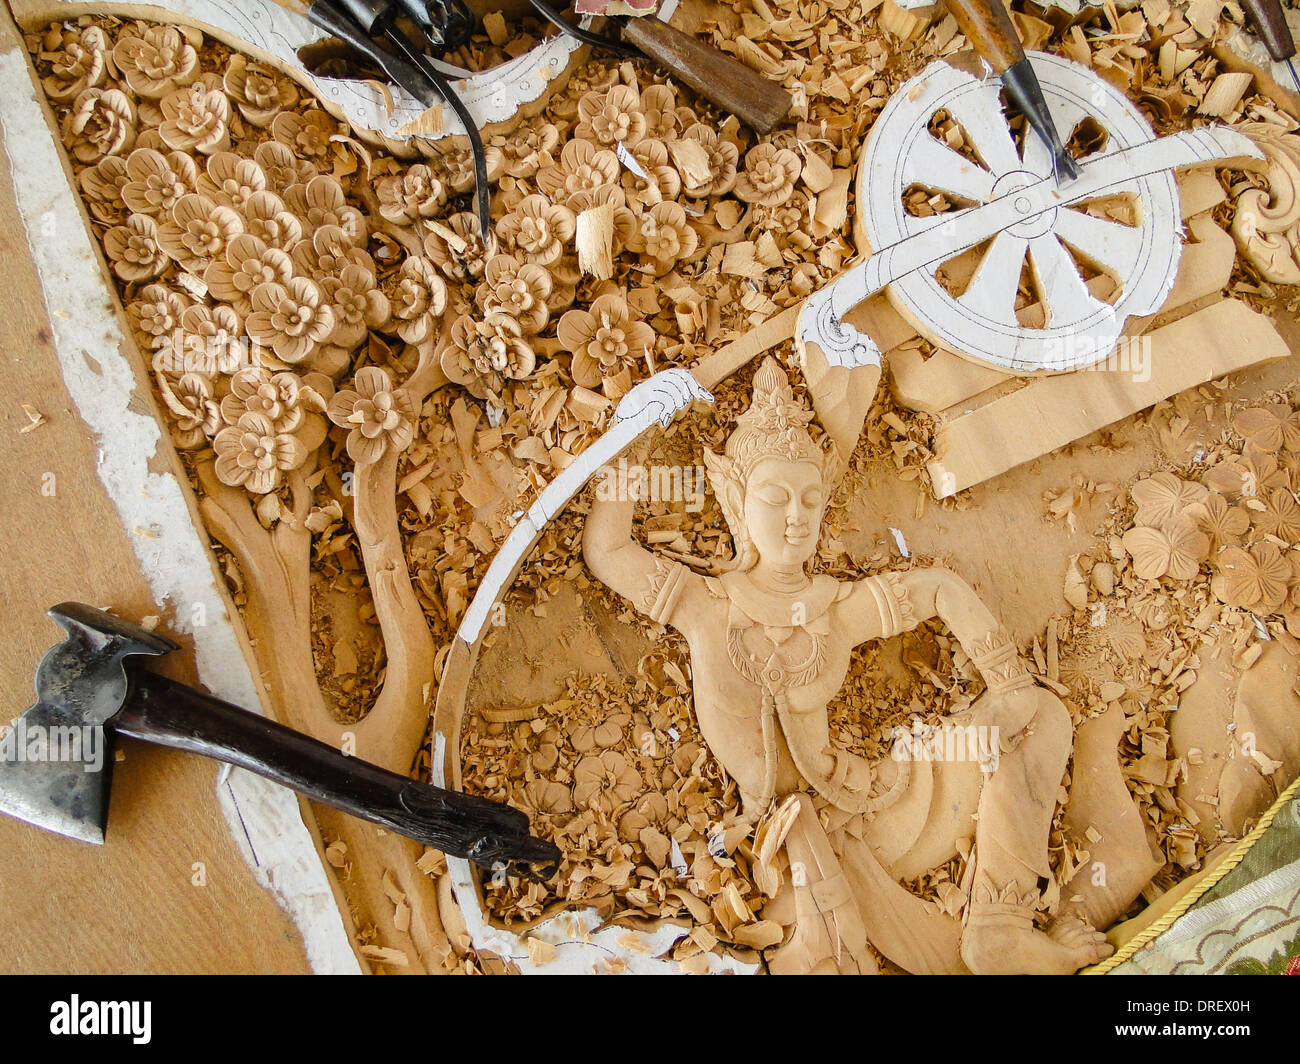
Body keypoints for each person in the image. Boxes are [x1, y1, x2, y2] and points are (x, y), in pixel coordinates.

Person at [583, 357, 1112, 974]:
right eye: (775, 497)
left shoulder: (835, 609)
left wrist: (1009, 681)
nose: (795, 517)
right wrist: (634, 435)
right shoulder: (703, 604)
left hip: (876, 809)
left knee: (1038, 717)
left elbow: (937, 587)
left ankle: (1001, 927)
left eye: (811, 499)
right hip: (781, 854)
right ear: (735, 500)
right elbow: (609, 549)